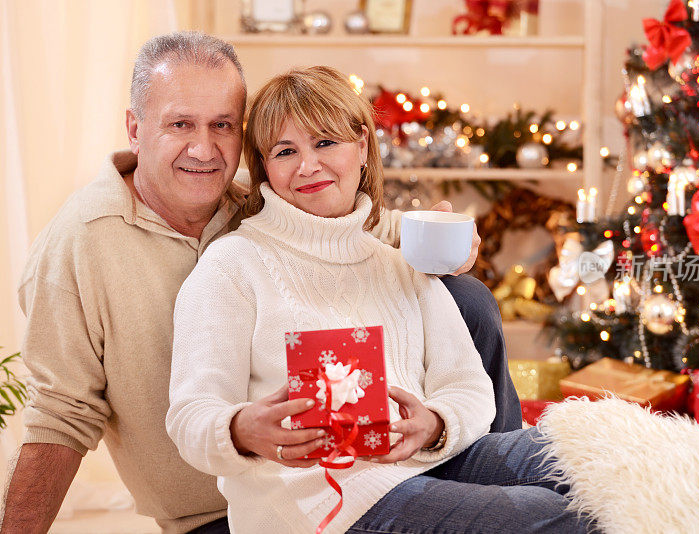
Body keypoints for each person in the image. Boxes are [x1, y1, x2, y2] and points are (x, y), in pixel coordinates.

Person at [2, 32, 518, 534]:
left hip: (361, 471)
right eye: (180, 124)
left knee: (465, 298)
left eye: (223, 125)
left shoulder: (263, 193)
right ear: (134, 128)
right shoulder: (78, 245)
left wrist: (444, 240)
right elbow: (61, 415)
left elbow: (361, 228)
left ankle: (482, 471)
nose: (203, 150)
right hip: (222, 512)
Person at [166, 65, 587, 534]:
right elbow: (190, 416)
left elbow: (467, 386)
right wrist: (243, 429)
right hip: (320, 502)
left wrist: (435, 424)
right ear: (265, 167)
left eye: (325, 142)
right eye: (286, 151)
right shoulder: (233, 266)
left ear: (363, 147)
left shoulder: (397, 260)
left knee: (589, 466)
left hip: (425, 465)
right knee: (545, 516)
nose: (308, 166)